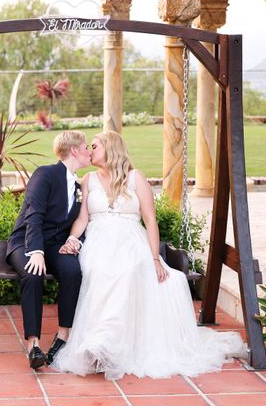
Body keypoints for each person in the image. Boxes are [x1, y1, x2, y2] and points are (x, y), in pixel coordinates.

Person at [52, 131, 244, 379]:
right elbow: (82, 218)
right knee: (97, 269)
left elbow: (150, 221)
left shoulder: (135, 178)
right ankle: (99, 338)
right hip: (99, 241)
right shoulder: (88, 179)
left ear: (111, 149)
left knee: (129, 268)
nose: (90, 150)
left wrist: (155, 258)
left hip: (132, 240)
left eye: (95, 146)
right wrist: (72, 239)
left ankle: (106, 343)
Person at [7, 130, 92, 370]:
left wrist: (76, 240)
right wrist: (35, 250)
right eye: (86, 146)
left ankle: (63, 336)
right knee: (33, 273)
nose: (89, 151)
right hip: (26, 241)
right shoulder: (45, 174)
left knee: (73, 271)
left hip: (55, 244)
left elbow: (82, 221)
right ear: (74, 150)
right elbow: (33, 214)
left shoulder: (78, 185)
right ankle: (33, 344)